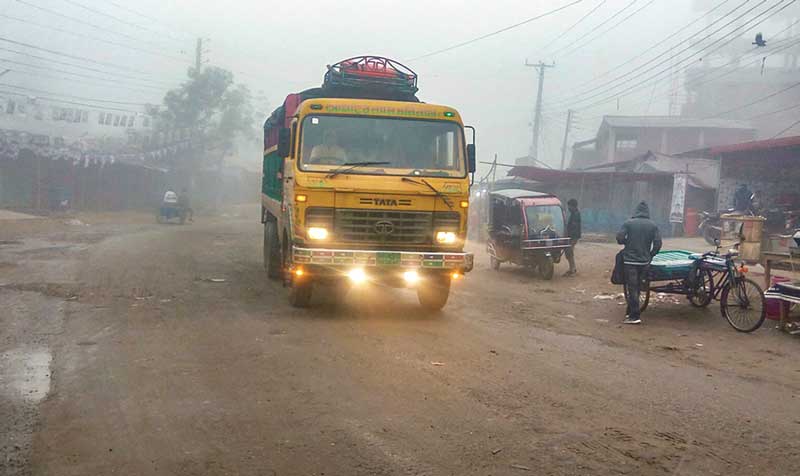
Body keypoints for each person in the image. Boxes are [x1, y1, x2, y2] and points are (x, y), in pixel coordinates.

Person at [616, 201, 662, 325]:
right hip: (645, 261)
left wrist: (627, 242)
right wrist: (651, 254)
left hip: (630, 261)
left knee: (632, 287)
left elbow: (619, 238)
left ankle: (634, 316)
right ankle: (630, 309)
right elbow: (658, 243)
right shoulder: (653, 225)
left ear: (636, 211)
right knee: (639, 286)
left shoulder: (628, 223)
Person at [563, 198, 581, 277]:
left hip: (573, 237)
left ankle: (572, 270)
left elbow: (574, 228)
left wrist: (568, 236)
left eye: (569, 206)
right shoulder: (574, 214)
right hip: (572, 236)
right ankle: (572, 269)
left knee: (569, 252)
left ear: (573, 206)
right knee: (569, 252)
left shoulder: (576, 215)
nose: (568, 208)